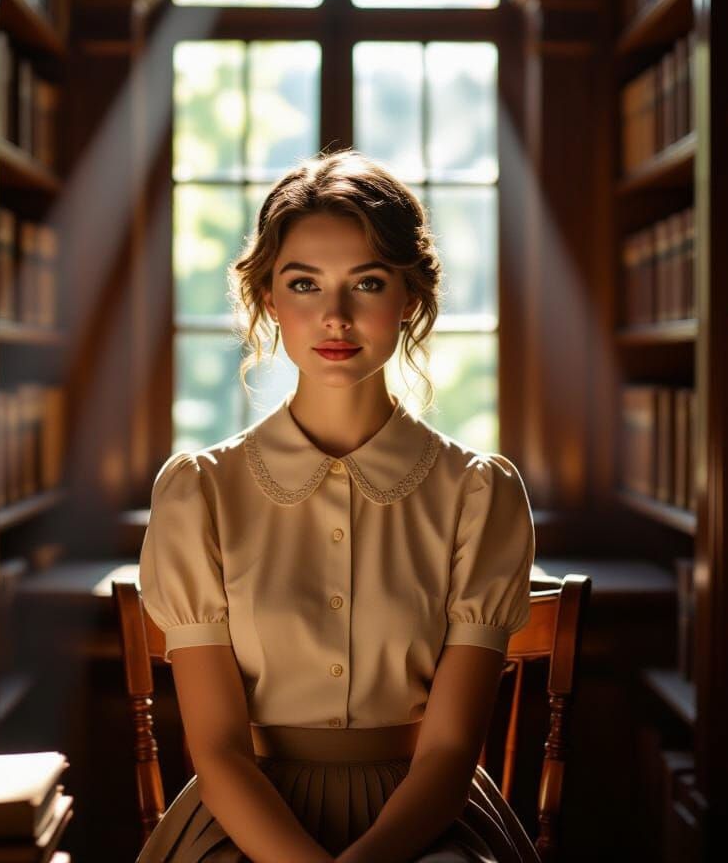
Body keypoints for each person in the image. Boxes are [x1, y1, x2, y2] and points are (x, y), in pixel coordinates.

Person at [136, 149, 537, 863]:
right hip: (244, 817)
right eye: (304, 283)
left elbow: (448, 751)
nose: (336, 317)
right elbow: (221, 751)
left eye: (368, 283)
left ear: (409, 297)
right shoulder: (199, 491)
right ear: (268, 299)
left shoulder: (480, 493)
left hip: (424, 816)